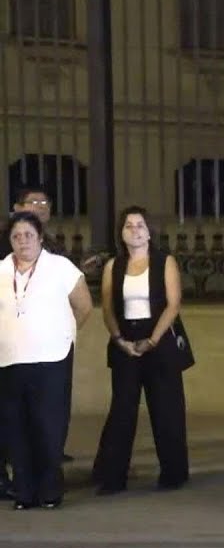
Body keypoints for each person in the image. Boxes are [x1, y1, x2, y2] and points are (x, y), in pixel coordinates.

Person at [91, 207, 192, 495]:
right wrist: (119, 338)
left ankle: (173, 473)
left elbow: (173, 304)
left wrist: (153, 339)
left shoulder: (164, 262)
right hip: (126, 339)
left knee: (167, 408)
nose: (134, 230)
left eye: (140, 225)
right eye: (128, 226)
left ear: (149, 231)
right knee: (122, 409)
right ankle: (112, 477)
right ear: (121, 233)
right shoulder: (114, 266)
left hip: (159, 337)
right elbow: (108, 308)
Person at [0, 212, 93, 509]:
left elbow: (83, 307)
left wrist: (63, 335)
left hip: (52, 359)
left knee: (48, 426)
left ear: (40, 237)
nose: (23, 240)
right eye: (16, 236)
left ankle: (50, 490)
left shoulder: (59, 267)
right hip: (9, 360)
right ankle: (24, 492)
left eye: (28, 234)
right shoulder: (1, 270)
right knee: (15, 427)